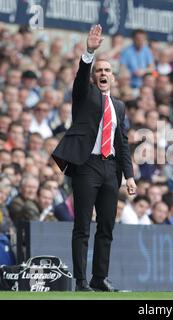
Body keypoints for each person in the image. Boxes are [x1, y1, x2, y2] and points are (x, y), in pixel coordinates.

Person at [52, 25, 137, 292]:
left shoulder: (119, 106)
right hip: (87, 166)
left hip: (111, 169)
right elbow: (80, 77)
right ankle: (80, 280)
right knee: (82, 227)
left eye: (107, 71)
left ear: (113, 77)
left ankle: (100, 278)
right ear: (94, 77)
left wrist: (130, 176)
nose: (102, 74)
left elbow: (122, 144)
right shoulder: (84, 94)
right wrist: (89, 51)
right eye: (98, 70)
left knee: (107, 228)